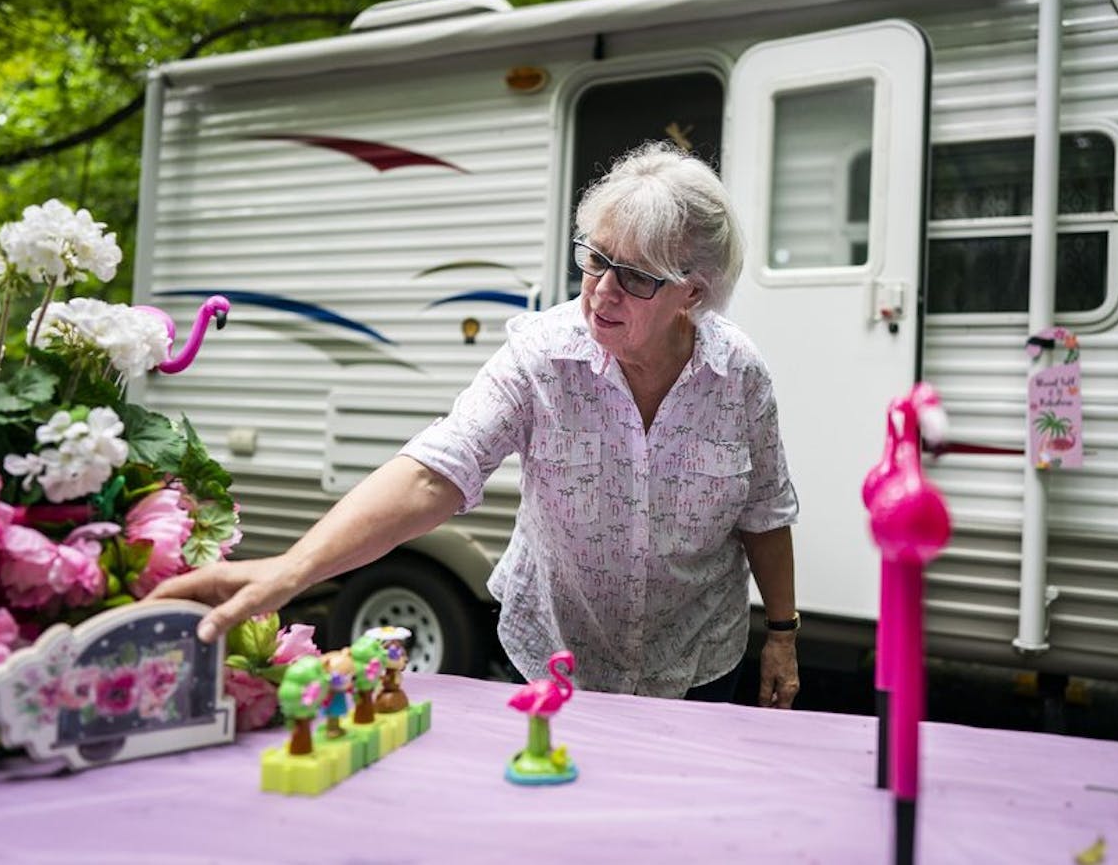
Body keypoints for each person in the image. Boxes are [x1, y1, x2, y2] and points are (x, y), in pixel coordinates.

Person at [149, 142, 801, 707]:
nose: (601, 290)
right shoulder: (542, 354)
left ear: (694, 291)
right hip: (557, 654)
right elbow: (439, 468)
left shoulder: (739, 374)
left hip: (697, 662)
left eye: (634, 277)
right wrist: (292, 569)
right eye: (595, 258)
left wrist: (782, 635)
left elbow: (765, 514)